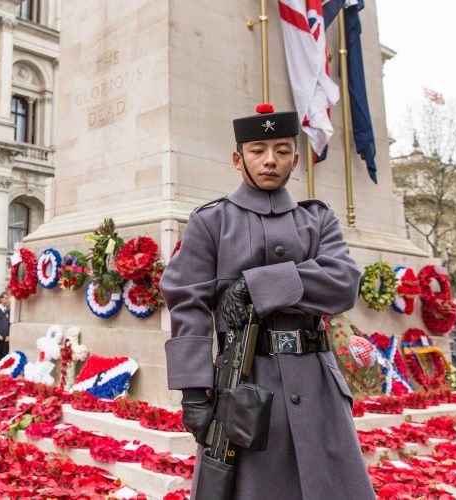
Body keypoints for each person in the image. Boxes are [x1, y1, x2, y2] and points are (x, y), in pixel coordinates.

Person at [160, 104, 373, 499]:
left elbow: (343, 283)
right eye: (258, 150)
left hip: (317, 384)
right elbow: (186, 302)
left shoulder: (317, 220)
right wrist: (192, 391)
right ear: (238, 159)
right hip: (246, 383)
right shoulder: (212, 222)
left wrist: (257, 284)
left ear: (296, 157)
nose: (270, 160)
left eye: (281, 149)